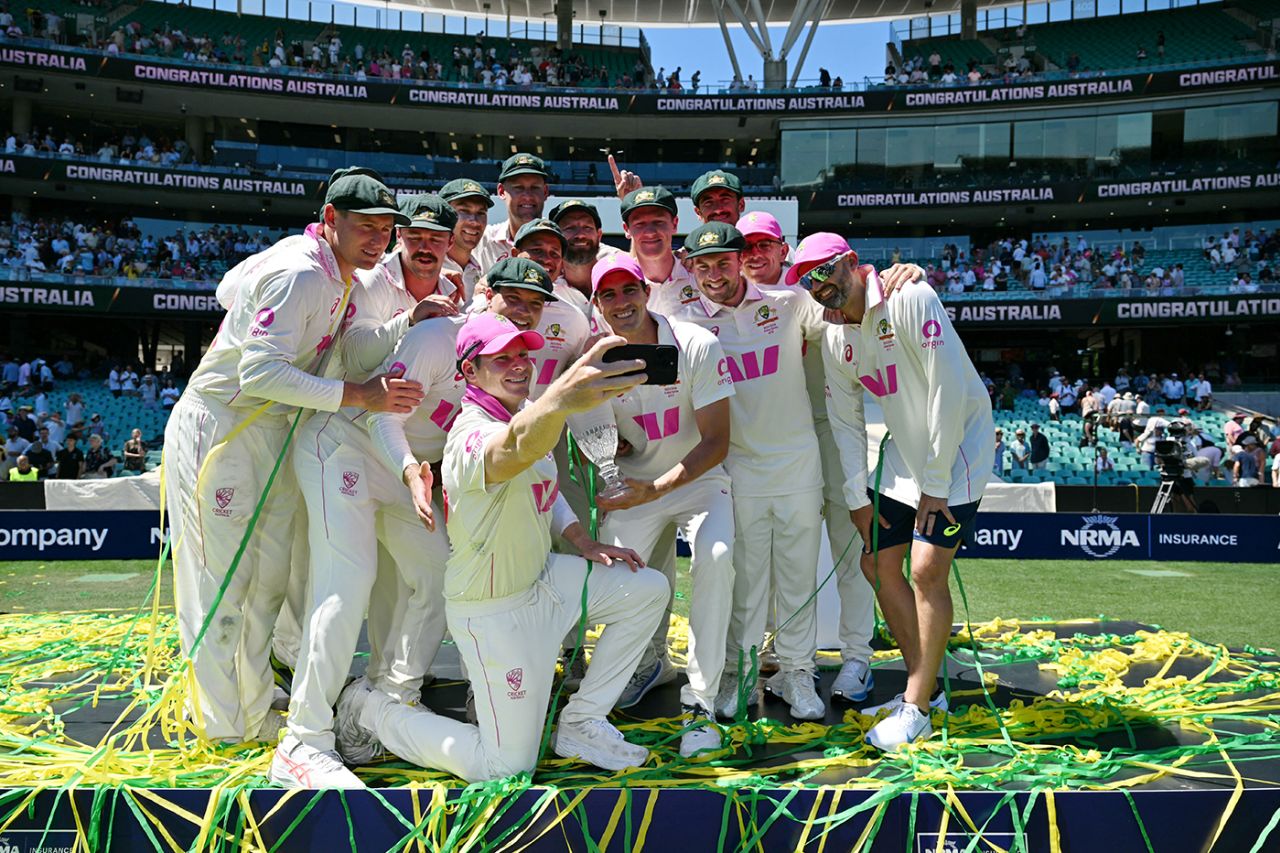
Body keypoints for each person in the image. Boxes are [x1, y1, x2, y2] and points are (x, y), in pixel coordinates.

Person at [332, 313, 668, 782]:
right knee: (507, 768)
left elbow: (542, 491)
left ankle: (581, 722)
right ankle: (372, 709)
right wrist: (560, 399)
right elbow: (510, 453)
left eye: (523, 356)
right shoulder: (470, 435)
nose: (519, 366)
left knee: (648, 589)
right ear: (469, 372)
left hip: (542, 579)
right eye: (501, 359)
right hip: (493, 612)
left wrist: (581, 540)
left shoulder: (524, 411)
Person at [164, 168, 423, 747]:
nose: (378, 239)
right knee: (220, 579)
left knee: (266, 579)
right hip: (224, 427)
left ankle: (252, 705)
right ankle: (225, 723)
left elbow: (229, 289)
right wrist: (361, 396)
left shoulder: (337, 274)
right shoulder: (300, 271)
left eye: (385, 229)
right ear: (329, 220)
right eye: (364, 227)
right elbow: (258, 368)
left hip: (271, 426)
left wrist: (408, 322)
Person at [273, 195, 465, 787]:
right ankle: (303, 738)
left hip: (405, 460)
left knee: (439, 575)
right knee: (345, 583)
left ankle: (381, 702)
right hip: (346, 444)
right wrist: (411, 320)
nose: (428, 244)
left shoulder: (467, 298)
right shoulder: (369, 281)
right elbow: (355, 362)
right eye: (416, 233)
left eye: (441, 235)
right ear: (403, 237)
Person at [800, 231, 994, 751]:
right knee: (876, 565)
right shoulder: (834, 335)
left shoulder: (911, 297)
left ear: (851, 263)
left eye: (825, 272)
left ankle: (915, 706)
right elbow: (843, 422)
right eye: (807, 280)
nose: (819, 286)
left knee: (927, 569)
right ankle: (925, 687)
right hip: (906, 458)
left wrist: (935, 484)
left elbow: (946, 389)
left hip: (959, 453)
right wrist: (857, 500)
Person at [676, 222, 828, 721]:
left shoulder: (790, 302)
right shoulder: (684, 323)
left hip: (797, 463)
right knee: (746, 584)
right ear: (690, 268)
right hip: (736, 469)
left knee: (797, 577)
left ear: (742, 259)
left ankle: (797, 672)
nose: (714, 274)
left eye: (723, 262)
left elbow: (852, 312)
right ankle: (737, 674)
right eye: (703, 266)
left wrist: (887, 277)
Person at [590, 253, 735, 755]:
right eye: (608, 295)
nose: (621, 302)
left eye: (628, 290)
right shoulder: (593, 362)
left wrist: (656, 489)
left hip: (699, 481)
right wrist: (613, 452)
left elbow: (716, 442)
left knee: (715, 560)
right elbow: (596, 437)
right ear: (597, 305)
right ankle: (642, 669)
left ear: (646, 292)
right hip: (633, 487)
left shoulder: (697, 344)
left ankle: (702, 702)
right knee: (624, 584)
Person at [473, 153, 551, 272]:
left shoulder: (560, 243)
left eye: (535, 188)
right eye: (518, 188)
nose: (527, 196)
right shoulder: (483, 241)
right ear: (501, 191)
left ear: (545, 192)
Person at [438, 178, 492, 301]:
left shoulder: (479, 270)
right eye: (464, 211)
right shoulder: (425, 267)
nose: (474, 221)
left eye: (481, 213)